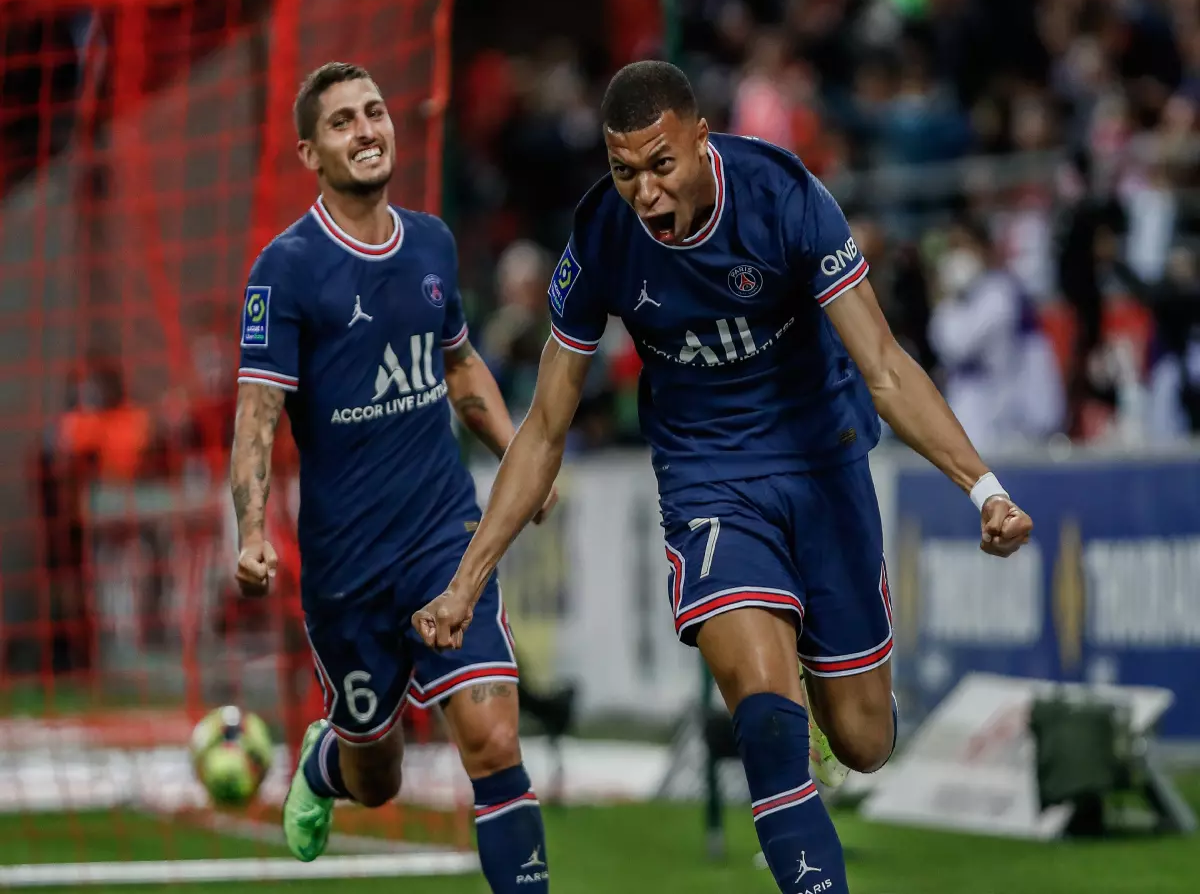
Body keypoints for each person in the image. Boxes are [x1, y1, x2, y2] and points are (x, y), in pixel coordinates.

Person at [414, 61, 1033, 894]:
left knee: (863, 742)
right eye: (624, 171)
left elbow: (884, 366)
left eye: (661, 164)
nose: (645, 192)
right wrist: (466, 582)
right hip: (710, 483)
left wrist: (984, 488)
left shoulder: (784, 196)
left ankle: (830, 696)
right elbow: (545, 430)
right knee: (767, 721)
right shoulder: (602, 235)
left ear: (702, 141)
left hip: (824, 463)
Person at [229, 62, 556, 893]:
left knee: (492, 740)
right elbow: (258, 414)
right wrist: (250, 530)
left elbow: (461, 368)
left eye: (375, 111)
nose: (367, 129)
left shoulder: (434, 243)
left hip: (445, 537)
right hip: (347, 570)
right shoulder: (287, 267)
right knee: (381, 779)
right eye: (342, 122)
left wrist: (521, 458)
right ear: (311, 152)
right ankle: (328, 761)